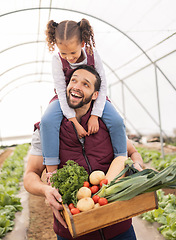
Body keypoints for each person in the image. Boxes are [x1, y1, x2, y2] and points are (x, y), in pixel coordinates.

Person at [24, 65, 143, 240]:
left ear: (95, 95)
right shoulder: (46, 131)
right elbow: (30, 175)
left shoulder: (107, 125)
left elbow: (132, 153)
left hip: (118, 225)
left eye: (86, 84)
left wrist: (137, 167)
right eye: (73, 80)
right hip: (74, 230)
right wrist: (44, 190)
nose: (77, 86)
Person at [40, 18, 127, 178]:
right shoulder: (57, 60)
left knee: (116, 121)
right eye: (64, 53)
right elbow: (60, 89)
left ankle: (122, 161)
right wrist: (74, 122)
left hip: (94, 97)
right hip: (65, 97)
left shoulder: (93, 53)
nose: (69, 58)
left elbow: (102, 85)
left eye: (73, 52)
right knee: (47, 121)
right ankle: (52, 173)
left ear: (82, 44)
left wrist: (95, 115)